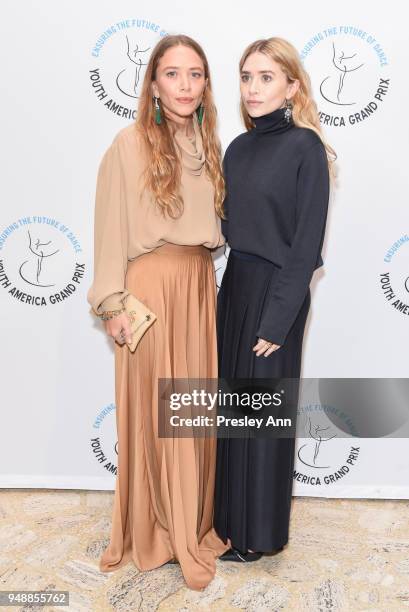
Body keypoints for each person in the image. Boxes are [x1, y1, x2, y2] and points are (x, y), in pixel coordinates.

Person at [87, 34, 230, 591]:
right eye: (173, 74)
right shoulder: (128, 144)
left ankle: (190, 523)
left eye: (195, 75)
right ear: (153, 83)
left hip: (197, 288)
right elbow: (109, 230)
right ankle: (153, 531)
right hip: (148, 290)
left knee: (191, 413)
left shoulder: (208, 142)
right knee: (155, 415)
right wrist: (112, 305)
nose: (185, 85)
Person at [214, 37, 336, 562]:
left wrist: (278, 319)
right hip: (235, 285)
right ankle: (227, 524)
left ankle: (260, 535)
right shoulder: (238, 148)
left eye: (266, 77)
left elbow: (306, 244)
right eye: (246, 77)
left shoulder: (305, 147)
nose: (254, 88)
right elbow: (225, 227)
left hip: (277, 292)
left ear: (292, 85)